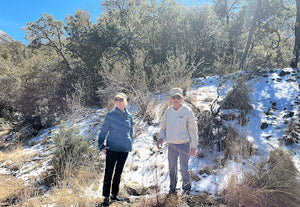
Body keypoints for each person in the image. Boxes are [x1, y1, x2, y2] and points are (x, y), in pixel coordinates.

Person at [157, 87, 198, 195]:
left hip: (184, 144)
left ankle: (187, 188)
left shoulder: (187, 111)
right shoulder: (168, 111)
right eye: (174, 97)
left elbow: (193, 129)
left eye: (178, 97)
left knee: (184, 168)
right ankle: (172, 189)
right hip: (171, 145)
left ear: (182, 98)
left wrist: (193, 146)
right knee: (172, 168)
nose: (176, 99)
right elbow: (163, 127)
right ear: (170, 98)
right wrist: (160, 138)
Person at [98, 92, 133, 206]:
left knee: (118, 173)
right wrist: (101, 145)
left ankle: (114, 195)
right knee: (109, 172)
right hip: (112, 148)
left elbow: (131, 131)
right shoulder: (110, 115)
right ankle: (106, 197)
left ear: (125, 101)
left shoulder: (129, 116)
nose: (118, 102)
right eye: (116, 100)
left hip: (124, 150)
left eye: (121, 100)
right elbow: (104, 131)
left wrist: (130, 143)